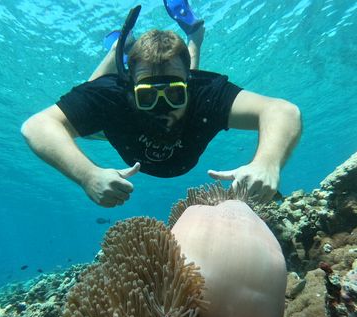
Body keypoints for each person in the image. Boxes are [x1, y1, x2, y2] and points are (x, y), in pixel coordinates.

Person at [21, 4, 301, 208]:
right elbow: (36, 126)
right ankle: (119, 46)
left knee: (189, 78)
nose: (162, 108)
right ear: (130, 89)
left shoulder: (205, 94)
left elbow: (283, 112)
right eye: (147, 96)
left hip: (187, 92)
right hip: (117, 113)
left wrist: (267, 164)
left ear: (188, 87)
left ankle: (195, 34)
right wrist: (88, 175)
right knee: (92, 89)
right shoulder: (112, 96)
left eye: (174, 95)